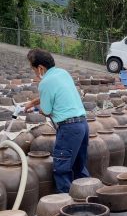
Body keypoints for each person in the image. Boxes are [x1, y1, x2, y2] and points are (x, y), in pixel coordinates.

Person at [25, 48, 89, 193]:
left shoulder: (45, 82)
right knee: (79, 167)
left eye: (33, 69)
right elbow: (56, 93)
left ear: (40, 68)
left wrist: (38, 109)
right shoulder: (63, 73)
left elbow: (46, 110)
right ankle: (88, 201)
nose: (34, 72)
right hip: (82, 125)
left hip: (69, 129)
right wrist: (32, 103)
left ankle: (66, 207)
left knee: (62, 169)